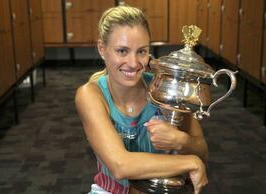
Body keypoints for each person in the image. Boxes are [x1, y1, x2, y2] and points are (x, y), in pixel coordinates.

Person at [75, 5, 208, 194]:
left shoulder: (165, 90)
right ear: (102, 49)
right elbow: (120, 165)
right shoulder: (90, 95)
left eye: (141, 51)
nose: (133, 63)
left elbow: (202, 151)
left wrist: (182, 142)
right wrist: (190, 162)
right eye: (122, 51)